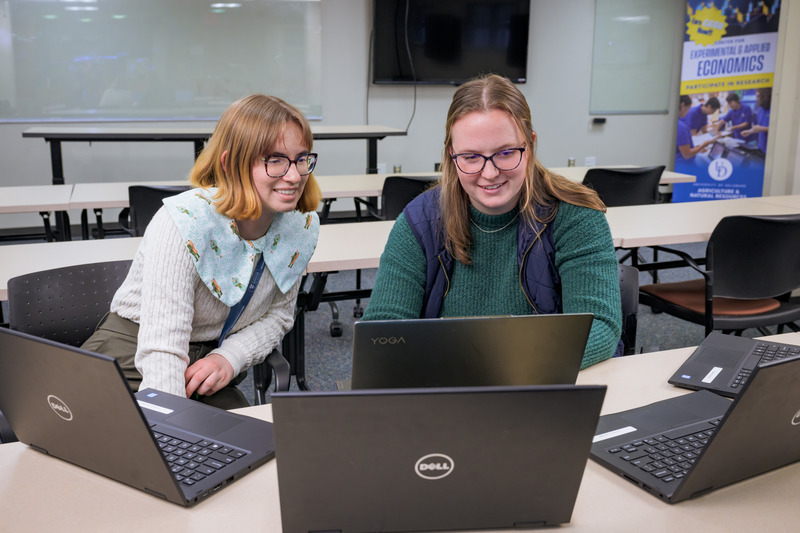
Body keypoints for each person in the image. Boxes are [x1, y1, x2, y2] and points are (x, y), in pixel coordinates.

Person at [362, 74, 622, 368]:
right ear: (451, 154)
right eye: (471, 157)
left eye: (506, 153)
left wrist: (498, 365)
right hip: (449, 391)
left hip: (544, 387)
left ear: (531, 144)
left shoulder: (575, 217)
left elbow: (598, 326)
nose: (489, 173)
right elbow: (381, 333)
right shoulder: (420, 221)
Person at [82, 94, 322, 409]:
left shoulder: (299, 228)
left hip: (206, 366)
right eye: (274, 160)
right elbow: (162, 350)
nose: (294, 175)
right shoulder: (184, 221)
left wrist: (230, 357)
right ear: (229, 164)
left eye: (301, 158)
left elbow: (279, 315)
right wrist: (173, 433)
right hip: (130, 354)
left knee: (241, 447)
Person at [676, 95, 715, 165]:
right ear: (682, 105)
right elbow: (687, 154)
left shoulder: (676, 122)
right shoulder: (681, 127)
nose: (688, 112)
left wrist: (696, 149)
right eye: (688, 108)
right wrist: (702, 145)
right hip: (684, 164)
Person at [741, 87, 770, 155]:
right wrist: (750, 131)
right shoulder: (760, 109)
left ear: (765, 96)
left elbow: (779, 129)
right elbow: (759, 126)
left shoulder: (774, 109)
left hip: (771, 148)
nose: (756, 99)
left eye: (758, 96)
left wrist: (760, 128)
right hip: (761, 146)